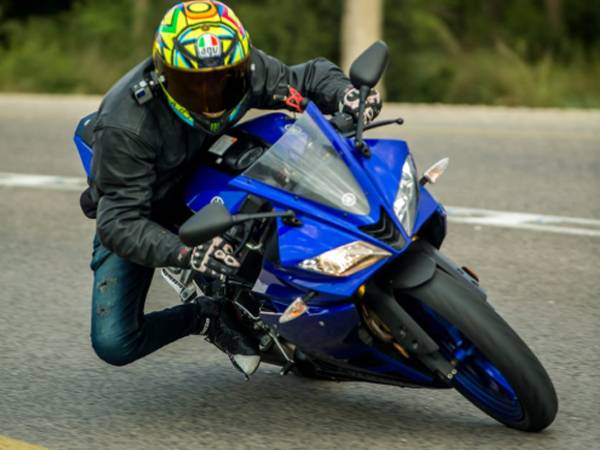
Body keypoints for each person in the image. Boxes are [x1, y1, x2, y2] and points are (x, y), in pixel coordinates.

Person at [82, 0, 382, 378]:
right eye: (192, 84)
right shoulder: (126, 124)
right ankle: (206, 316)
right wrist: (187, 252)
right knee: (115, 341)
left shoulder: (247, 68)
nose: (210, 97)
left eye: (224, 81)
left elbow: (306, 77)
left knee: (292, 181)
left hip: (217, 167)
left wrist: (345, 94)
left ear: (242, 66)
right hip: (147, 203)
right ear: (163, 77)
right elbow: (118, 222)